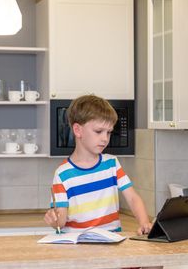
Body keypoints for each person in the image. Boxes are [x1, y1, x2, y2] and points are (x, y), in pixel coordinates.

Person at [44, 94, 152, 236]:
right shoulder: (62, 174)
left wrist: (144, 223)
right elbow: (61, 221)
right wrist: (54, 220)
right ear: (78, 130)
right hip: (77, 247)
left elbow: (132, 198)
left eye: (108, 132)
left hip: (111, 241)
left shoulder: (112, 164)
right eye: (98, 131)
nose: (105, 138)